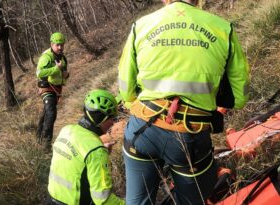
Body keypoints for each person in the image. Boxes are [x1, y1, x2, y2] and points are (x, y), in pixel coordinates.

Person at [118, 0, 250, 204]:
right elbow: (239, 96)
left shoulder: (141, 25)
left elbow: (126, 89)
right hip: (189, 136)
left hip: (141, 129)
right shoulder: (223, 28)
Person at [48, 89, 125, 205]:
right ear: (102, 119)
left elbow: (77, 159)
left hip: (51, 197)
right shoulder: (96, 151)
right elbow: (103, 200)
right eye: (112, 119)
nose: (113, 123)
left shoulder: (66, 130)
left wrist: (98, 153)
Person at [36, 32, 69, 147]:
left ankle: (38, 138)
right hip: (47, 88)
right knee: (51, 113)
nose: (60, 47)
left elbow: (64, 72)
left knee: (46, 112)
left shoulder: (62, 57)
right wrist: (56, 68)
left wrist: (66, 74)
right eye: (57, 45)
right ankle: (46, 144)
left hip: (57, 90)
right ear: (51, 44)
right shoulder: (46, 57)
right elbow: (39, 73)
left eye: (62, 45)